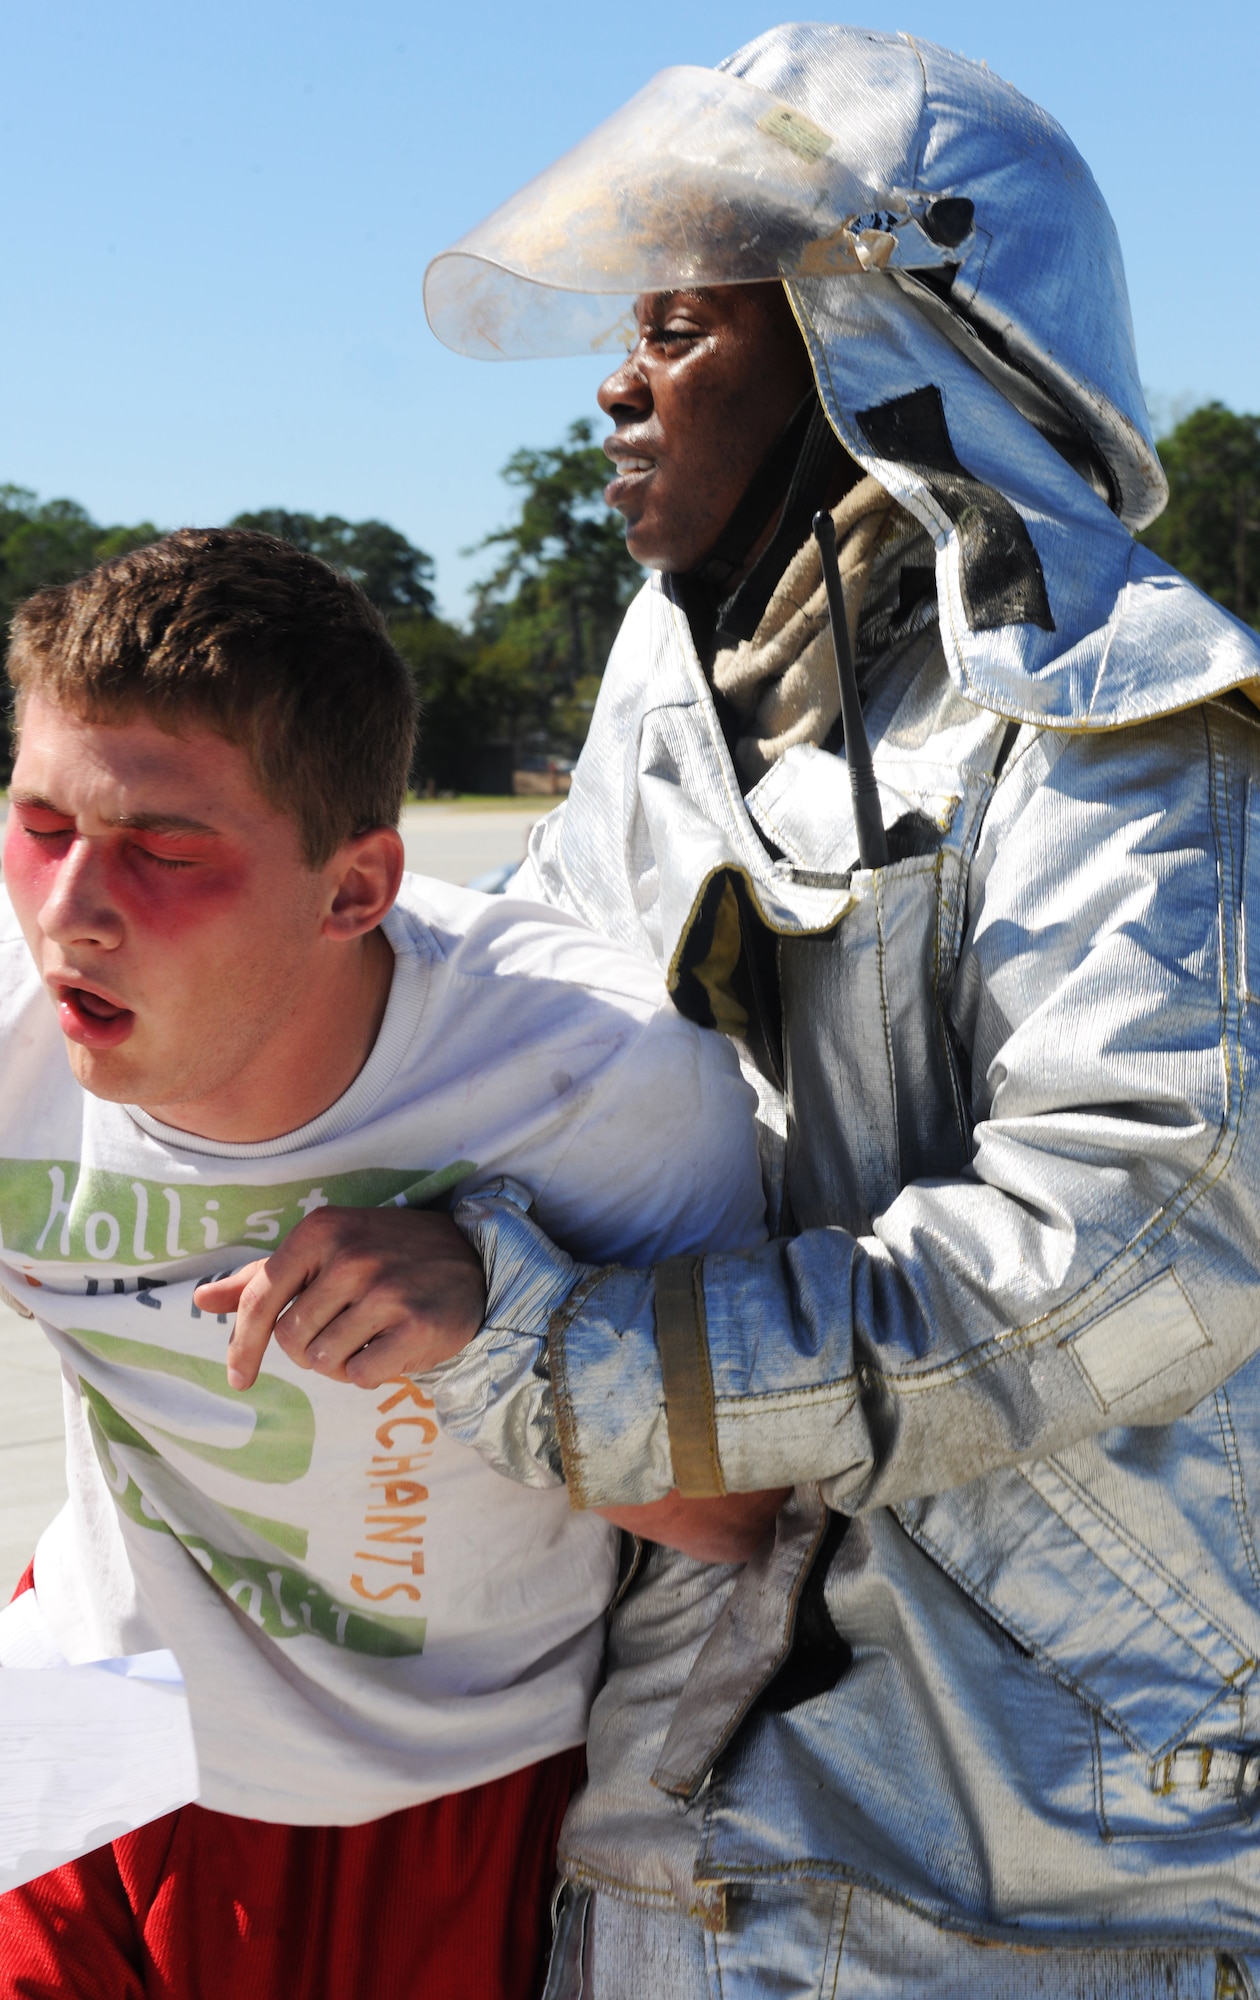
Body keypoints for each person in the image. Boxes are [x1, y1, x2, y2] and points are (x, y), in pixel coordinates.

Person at [416, 21, 1260, 1996]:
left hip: (1027, 1885)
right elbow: (492, 1057)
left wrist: (564, 1372)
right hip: (664, 1829)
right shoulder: (679, 714)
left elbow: (1134, 1234)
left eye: (687, 328)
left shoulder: (1124, 738)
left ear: (887, 339)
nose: (616, 385)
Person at [0, 527, 780, 2000]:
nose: (69, 910)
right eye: (42, 825)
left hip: (426, 1796)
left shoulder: (594, 1086)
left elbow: (754, 1522)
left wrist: (508, 1325)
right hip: (83, 1721)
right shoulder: (16, 1015)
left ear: (356, 889)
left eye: (164, 850)